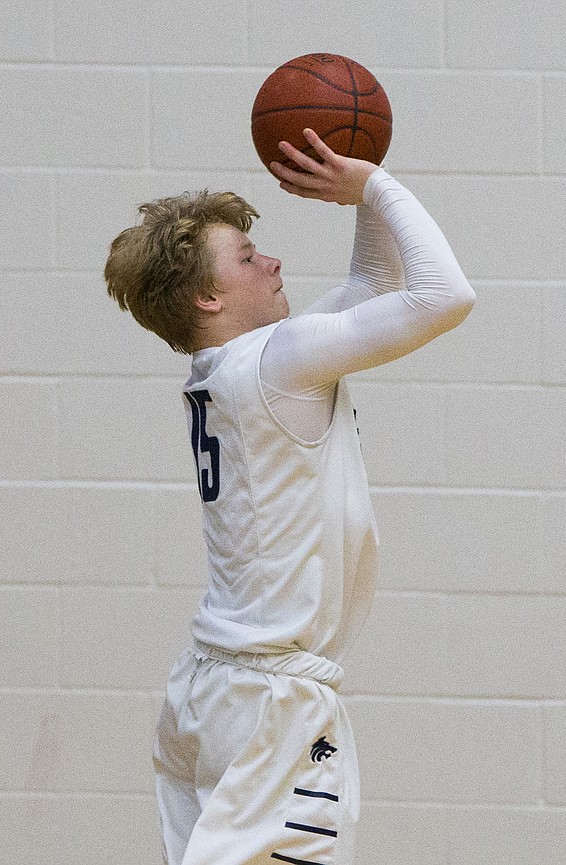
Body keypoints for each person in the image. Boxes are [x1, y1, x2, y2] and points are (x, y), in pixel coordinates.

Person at [104, 129, 475, 865]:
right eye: (246, 257)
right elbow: (444, 295)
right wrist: (374, 188)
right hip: (270, 704)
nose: (272, 260)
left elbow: (373, 289)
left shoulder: (235, 368)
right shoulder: (279, 362)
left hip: (212, 691)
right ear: (208, 295)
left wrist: (368, 178)